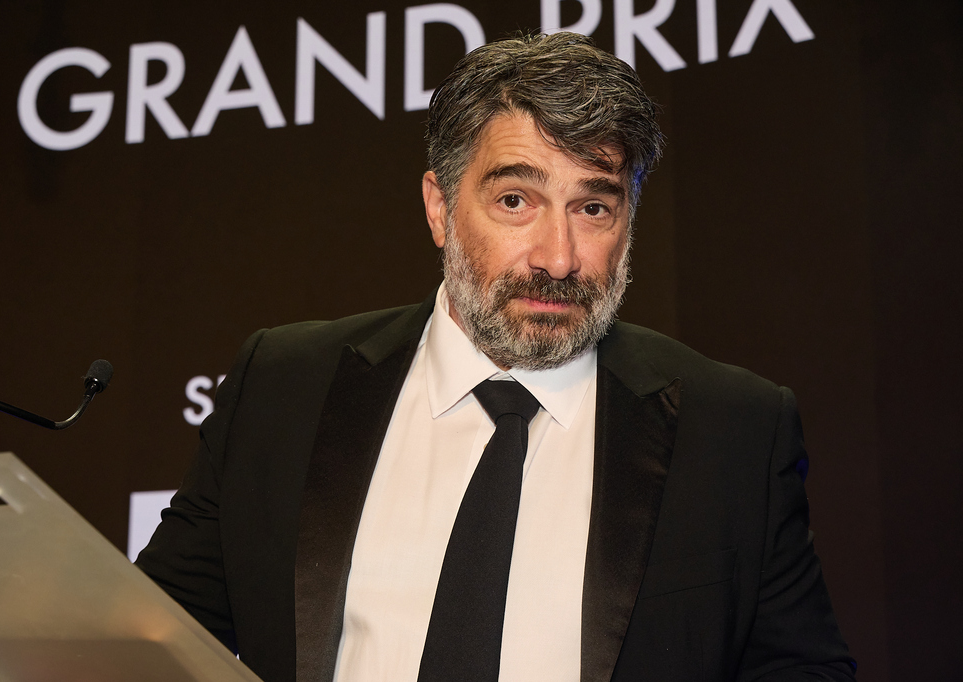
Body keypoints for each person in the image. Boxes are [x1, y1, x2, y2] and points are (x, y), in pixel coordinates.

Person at [136, 32, 856, 682]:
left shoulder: (733, 428)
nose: (558, 258)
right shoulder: (283, 384)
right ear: (440, 208)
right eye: (516, 200)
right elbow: (146, 640)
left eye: (593, 208)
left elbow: (804, 670)